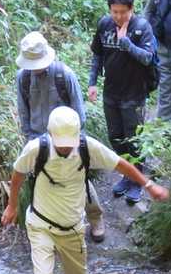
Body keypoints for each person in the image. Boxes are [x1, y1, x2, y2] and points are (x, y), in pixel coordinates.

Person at [1, 109, 169, 274]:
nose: (65, 148)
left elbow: (121, 164)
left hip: (73, 226)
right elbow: (18, 173)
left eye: (69, 143)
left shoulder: (87, 147)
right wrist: (12, 205)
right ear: (51, 135)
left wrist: (149, 185)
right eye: (61, 143)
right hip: (41, 224)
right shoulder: (36, 149)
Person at [15, 31, 107, 241]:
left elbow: (79, 113)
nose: (35, 68)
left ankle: (95, 218)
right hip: (38, 139)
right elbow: (23, 112)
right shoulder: (23, 78)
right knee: (45, 182)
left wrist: (74, 141)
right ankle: (52, 225)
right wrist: (30, 140)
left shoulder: (63, 75)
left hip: (67, 138)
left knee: (80, 178)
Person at [87, 0, 159, 207]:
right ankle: (128, 175)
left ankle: (138, 180)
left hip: (134, 94)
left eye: (123, 12)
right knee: (115, 137)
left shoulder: (142, 27)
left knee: (134, 139)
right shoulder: (104, 25)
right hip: (111, 92)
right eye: (114, 12)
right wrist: (92, 83)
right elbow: (98, 55)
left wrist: (126, 43)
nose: (118, 16)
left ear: (132, 9)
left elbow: (147, 58)